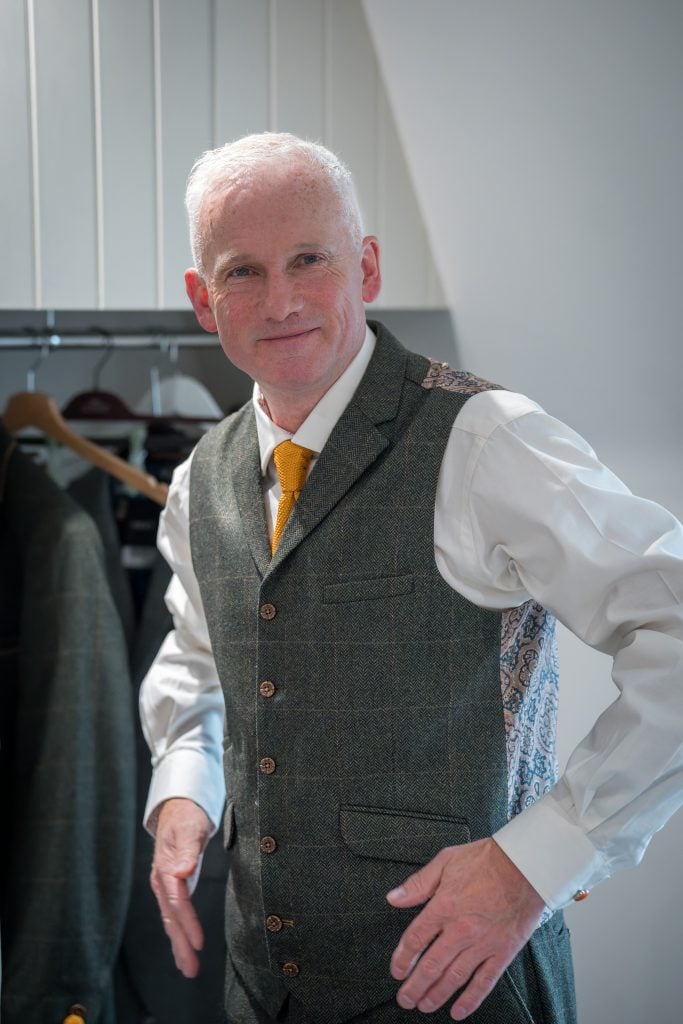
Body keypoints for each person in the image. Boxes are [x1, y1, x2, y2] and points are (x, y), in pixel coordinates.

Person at [140, 132, 683, 1023]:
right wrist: (183, 791)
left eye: (308, 259)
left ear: (367, 266)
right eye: (242, 272)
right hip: (260, 987)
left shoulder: (487, 439)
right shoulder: (200, 479)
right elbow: (202, 657)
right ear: (204, 299)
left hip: (466, 989)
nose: (279, 301)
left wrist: (538, 860)